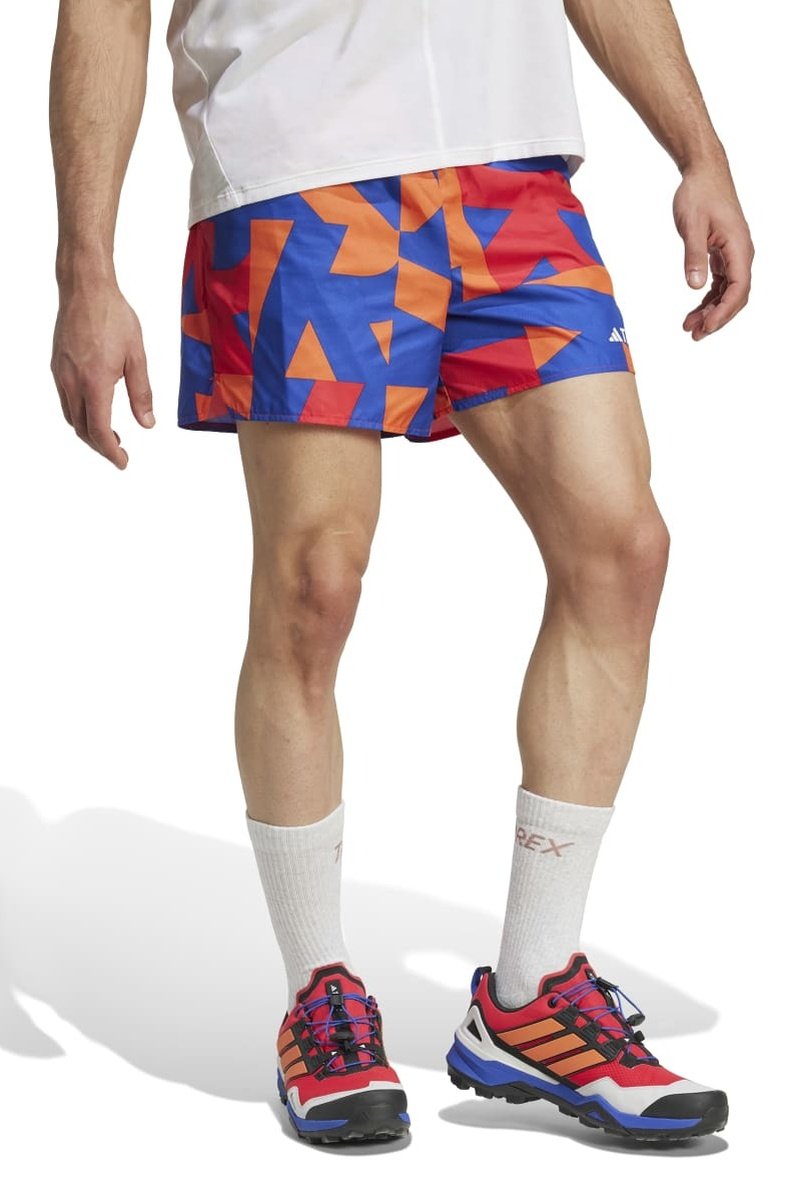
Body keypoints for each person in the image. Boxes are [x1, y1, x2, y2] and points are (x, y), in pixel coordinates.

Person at [49, 0, 752, 1147]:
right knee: (313, 582)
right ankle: (318, 993)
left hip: (510, 170)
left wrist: (697, 148)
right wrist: (86, 266)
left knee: (621, 549)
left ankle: (530, 995)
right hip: (295, 165)